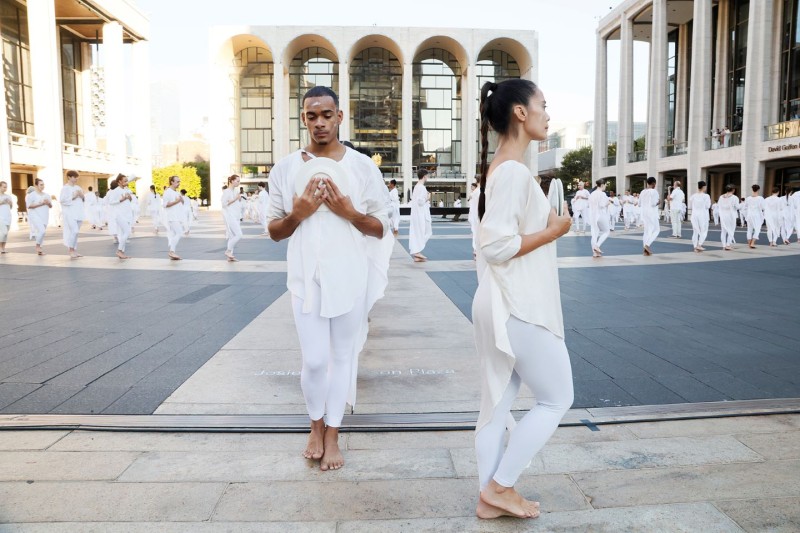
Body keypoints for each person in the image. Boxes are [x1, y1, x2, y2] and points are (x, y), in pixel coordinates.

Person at [267, 86, 389, 472]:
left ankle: (332, 433)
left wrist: (349, 212)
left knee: (342, 358)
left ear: (340, 117)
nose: (320, 122)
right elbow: (274, 231)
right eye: (312, 115)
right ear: (303, 119)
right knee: (315, 360)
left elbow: (382, 227)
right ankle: (313, 424)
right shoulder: (286, 169)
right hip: (306, 280)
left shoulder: (362, 167)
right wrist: (297, 213)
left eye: (327, 114)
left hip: (350, 277)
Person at [473, 78, 573, 521]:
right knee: (556, 399)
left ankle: (488, 498)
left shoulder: (502, 169)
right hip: (516, 305)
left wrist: (547, 225)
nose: (547, 114)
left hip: (498, 303)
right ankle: (501, 486)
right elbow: (496, 246)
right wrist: (553, 231)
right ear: (519, 112)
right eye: (542, 105)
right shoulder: (512, 171)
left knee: (497, 403)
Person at [106, 174, 133, 259]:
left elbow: (129, 200)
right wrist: (121, 199)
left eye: (126, 180)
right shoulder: (116, 191)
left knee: (123, 234)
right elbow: (111, 202)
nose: (126, 182)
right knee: (127, 232)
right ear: (119, 182)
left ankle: (122, 252)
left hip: (126, 214)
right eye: (124, 180)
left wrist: (129, 197)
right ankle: (119, 251)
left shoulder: (126, 190)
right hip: (119, 215)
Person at [59, 170, 85, 258]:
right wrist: (73, 196)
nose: (76, 179)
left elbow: (83, 199)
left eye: (77, 177)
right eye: (74, 177)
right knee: (74, 231)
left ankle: (74, 250)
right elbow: (62, 200)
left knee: (76, 233)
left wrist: (81, 195)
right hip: (70, 213)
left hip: (78, 212)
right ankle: (70, 250)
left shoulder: (78, 187)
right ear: (69, 177)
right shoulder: (65, 188)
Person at [409, 168, 432, 262]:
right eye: (427, 175)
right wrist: (428, 197)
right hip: (421, 214)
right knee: (426, 231)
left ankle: (417, 252)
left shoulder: (417, 186)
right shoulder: (421, 187)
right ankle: (417, 251)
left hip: (417, 214)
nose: (428, 177)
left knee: (419, 232)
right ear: (424, 176)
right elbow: (420, 202)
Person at [25, 178, 51, 255]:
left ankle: (40, 248)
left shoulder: (47, 195)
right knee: (42, 231)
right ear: (36, 185)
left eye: (43, 185)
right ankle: (37, 246)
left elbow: (50, 206)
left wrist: (48, 203)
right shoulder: (32, 195)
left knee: (41, 232)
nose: (43, 186)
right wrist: (41, 203)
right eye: (41, 185)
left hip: (44, 215)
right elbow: (29, 206)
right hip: (35, 215)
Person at [221, 175, 243, 261]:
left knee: (232, 236)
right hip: (230, 216)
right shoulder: (227, 191)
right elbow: (223, 204)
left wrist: (239, 199)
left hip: (236, 216)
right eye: (237, 181)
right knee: (239, 234)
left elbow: (237, 202)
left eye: (239, 181)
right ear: (232, 181)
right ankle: (228, 251)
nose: (239, 182)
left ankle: (230, 256)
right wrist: (235, 199)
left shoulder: (236, 191)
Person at [163, 175, 184, 260]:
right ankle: (171, 251)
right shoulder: (167, 192)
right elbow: (165, 205)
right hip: (172, 217)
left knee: (176, 234)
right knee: (179, 233)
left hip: (177, 216)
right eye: (177, 181)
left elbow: (181, 203)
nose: (179, 183)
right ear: (172, 182)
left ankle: (172, 252)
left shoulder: (176, 192)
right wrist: (177, 201)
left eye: (179, 181)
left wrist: (181, 200)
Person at [588, 179, 610, 258]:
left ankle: (595, 253)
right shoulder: (602, 194)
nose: (605, 187)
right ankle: (597, 246)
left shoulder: (591, 194)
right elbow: (602, 205)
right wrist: (608, 203)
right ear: (602, 185)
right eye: (605, 185)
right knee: (606, 231)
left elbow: (589, 205)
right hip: (601, 215)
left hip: (593, 216)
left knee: (594, 234)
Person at [688, 180, 712, 252]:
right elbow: (708, 206)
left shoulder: (693, 196)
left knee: (695, 231)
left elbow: (690, 206)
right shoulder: (706, 196)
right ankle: (699, 245)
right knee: (704, 231)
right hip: (703, 215)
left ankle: (695, 246)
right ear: (704, 187)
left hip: (694, 214)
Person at [640, 176, 660, 255]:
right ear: (654, 183)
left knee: (646, 231)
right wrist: (658, 202)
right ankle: (647, 245)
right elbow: (653, 204)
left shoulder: (642, 192)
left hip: (644, 213)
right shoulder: (654, 191)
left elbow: (639, 203)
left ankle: (645, 250)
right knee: (656, 230)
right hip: (652, 213)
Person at [718, 184, 739, 251]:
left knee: (723, 231)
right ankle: (728, 244)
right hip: (731, 215)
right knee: (731, 230)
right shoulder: (734, 197)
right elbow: (737, 207)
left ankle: (724, 245)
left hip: (723, 215)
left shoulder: (721, 197)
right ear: (733, 190)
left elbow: (719, 206)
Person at [744, 184, 765, 248]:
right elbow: (763, 207)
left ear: (752, 189)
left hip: (749, 215)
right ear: (758, 189)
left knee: (749, 229)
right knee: (757, 229)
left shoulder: (748, 198)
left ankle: (749, 243)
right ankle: (752, 243)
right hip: (757, 215)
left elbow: (745, 206)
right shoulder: (760, 198)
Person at [0, 180, 15, 253]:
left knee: (5, 234)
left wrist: (10, 203)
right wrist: (1, 202)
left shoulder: (8, 196)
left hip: (8, 216)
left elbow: (11, 207)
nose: (5, 189)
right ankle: (1, 247)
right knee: (4, 233)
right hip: (1, 217)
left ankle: (3, 248)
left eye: (6, 187)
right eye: (4, 187)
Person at [468, 181, 481, 257]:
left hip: (476, 215)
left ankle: (476, 250)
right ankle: (476, 250)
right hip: (475, 215)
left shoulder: (476, 192)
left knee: (476, 233)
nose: (471, 188)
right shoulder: (476, 192)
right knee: (476, 234)